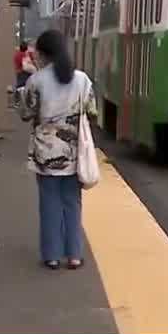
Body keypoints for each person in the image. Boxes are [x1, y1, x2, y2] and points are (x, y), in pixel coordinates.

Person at [20, 29, 97, 270]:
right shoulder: (82, 80)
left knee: (49, 202)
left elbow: (26, 114)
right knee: (72, 202)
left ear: (43, 54)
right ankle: (74, 254)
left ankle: (52, 256)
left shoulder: (36, 80)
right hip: (74, 152)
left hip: (45, 152)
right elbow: (92, 112)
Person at [12, 41, 36, 107]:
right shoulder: (27, 54)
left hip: (19, 72)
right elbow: (33, 62)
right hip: (27, 73)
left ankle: (17, 101)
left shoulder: (17, 55)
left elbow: (16, 63)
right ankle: (29, 102)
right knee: (28, 87)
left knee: (19, 86)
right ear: (26, 48)